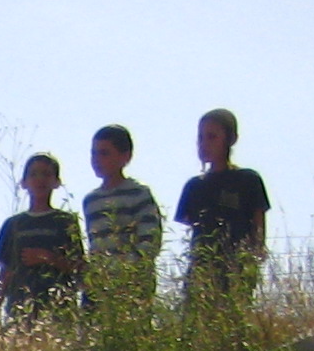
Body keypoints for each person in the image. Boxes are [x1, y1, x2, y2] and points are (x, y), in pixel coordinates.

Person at [175, 107, 270, 297]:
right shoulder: (194, 186)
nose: (204, 144)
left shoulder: (247, 180)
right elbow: (188, 223)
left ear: (230, 139)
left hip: (236, 265)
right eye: (200, 138)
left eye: (212, 137)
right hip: (201, 269)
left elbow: (258, 218)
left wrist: (256, 251)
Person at [0, 153, 84, 316]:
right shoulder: (13, 225)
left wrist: (48, 258)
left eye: (46, 174)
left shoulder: (65, 221)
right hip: (20, 308)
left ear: (56, 182)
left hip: (58, 309)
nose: (40, 179)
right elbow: (5, 272)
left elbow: (78, 266)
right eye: (33, 174)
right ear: (24, 183)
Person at [81, 123, 164, 300]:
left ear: (125, 157)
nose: (96, 159)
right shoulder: (91, 201)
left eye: (104, 153)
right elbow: (95, 245)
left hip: (132, 284)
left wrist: (128, 271)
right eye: (93, 153)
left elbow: (149, 239)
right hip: (99, 285)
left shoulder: (138, 194)